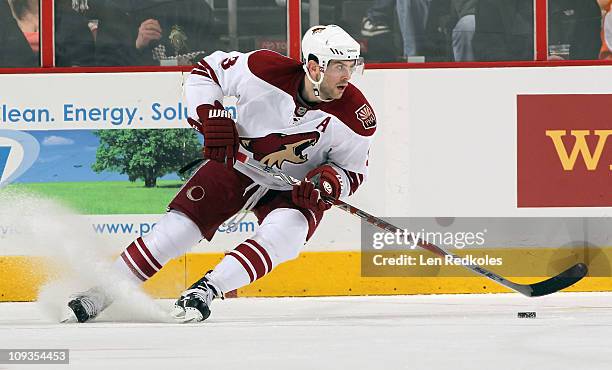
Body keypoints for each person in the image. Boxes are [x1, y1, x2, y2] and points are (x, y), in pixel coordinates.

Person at [62, 24, 377, 323]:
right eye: (339, 66)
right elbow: (206, 72)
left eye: (352, 66)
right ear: (313, 66)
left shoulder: (356, 116)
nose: (348, 76)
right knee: (176, 232)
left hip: (293, 188)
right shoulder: (263, 69)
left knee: (287, 234)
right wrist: (211, 115)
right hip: (237, 165)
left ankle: (206, 290)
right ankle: (102, 292)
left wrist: (326, 183)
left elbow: (351, 172)